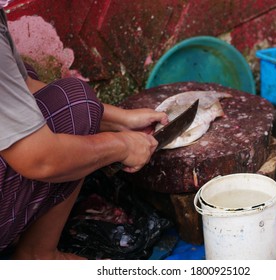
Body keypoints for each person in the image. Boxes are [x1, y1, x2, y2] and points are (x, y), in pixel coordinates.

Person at [0, 1, 168, 259]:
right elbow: (40, 159)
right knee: (73, 103)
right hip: (37, 157)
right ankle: (39, 256)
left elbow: (25, 86)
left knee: (53, 89)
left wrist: (119, 120)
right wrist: (121, 146)